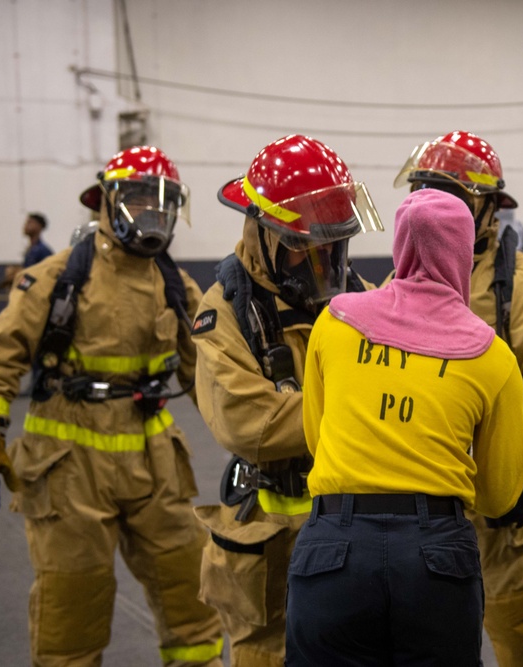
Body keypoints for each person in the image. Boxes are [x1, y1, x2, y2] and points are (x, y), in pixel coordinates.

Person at [0, 146, 223, 665]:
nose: (150, 213)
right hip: (68, 467)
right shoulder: (56, 277)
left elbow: (206, 375)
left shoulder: (177, 286)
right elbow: (0, 353)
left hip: (156, 464)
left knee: (193, 595)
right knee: (73, 609)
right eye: (136, 198)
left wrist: (249, 440)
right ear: (107, 203)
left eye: (161, 202)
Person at [286, 187, 523, 665]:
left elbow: (316, 436)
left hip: (334, 546)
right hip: (435, 555)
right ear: (464, 252)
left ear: (399, 246)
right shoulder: (491, 354)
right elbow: (500, 495)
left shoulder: (333, 322)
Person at [191, 134, 381, 667]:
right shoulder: (225, 312)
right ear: (262, 231)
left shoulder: (359, 295)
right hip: (271, 532)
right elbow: (250, 424)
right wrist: (361, 404)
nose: (322, 260)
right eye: (305, 244)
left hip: (353, 523)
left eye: (332, 243)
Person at [395, 130, 523, 666]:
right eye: (423, 194)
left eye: (450, 197)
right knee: (430, 634)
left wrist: (522, 465)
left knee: (519, 623)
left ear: (488, 208)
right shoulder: (400, 282)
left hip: (510, 493)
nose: (433, 210)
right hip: (428, 490)